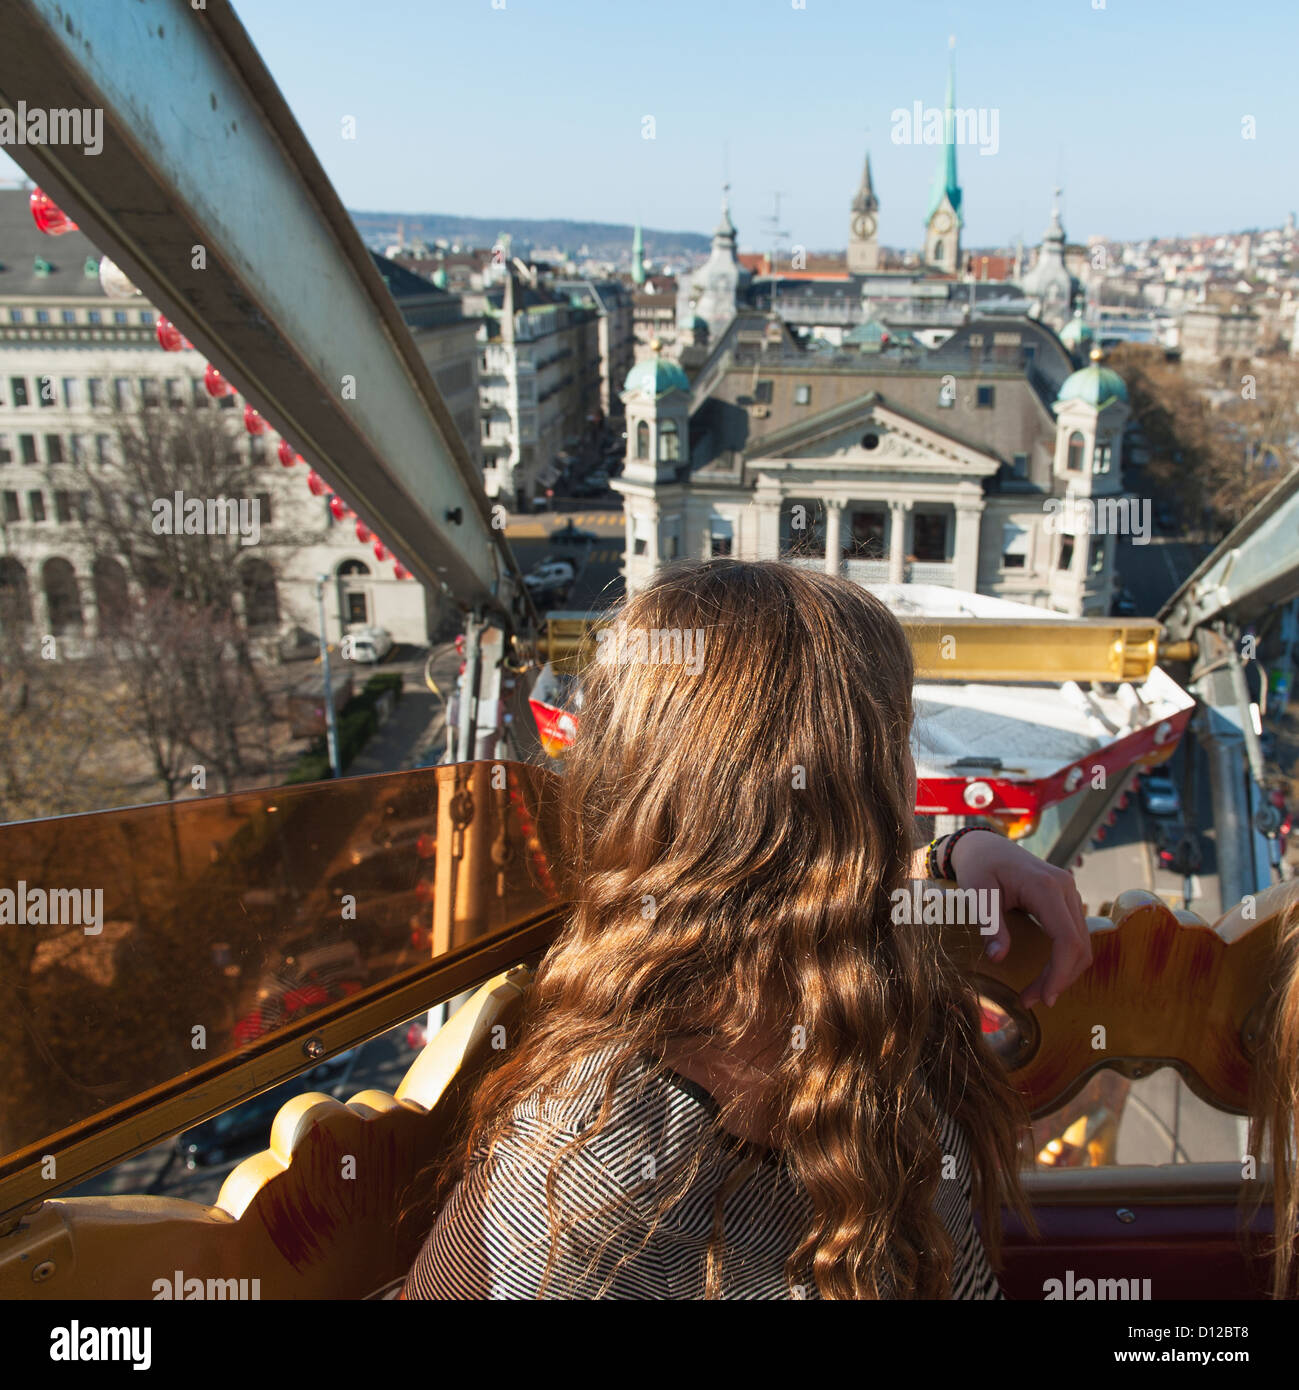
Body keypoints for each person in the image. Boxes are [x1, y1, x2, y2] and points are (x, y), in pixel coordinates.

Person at [402, 560, 1092, 1299]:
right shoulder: (583, 1195)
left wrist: (954, 856)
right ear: (866, 796)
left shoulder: (855, 991)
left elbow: (795, 904)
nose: (910, 777)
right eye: (898, 741)